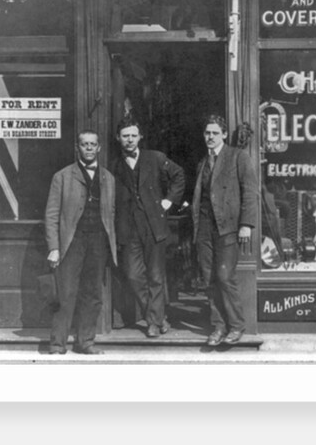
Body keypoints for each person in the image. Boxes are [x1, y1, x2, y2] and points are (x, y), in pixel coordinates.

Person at [111, 116, 185, 338]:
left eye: (134, 135)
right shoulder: (113, 166)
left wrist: (168, 201)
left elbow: (179, 176)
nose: (130, 140)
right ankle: (158, 317)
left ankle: (152, 322)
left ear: (140, 137)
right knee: (133, 275)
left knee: (155, 275)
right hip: (128, 228)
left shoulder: (155, 158)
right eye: (125, 136)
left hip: (154, 225)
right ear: (118, 138)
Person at [44, 130, 116, 355]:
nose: (88, 148)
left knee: (92, 294)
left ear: (99, 148)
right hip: (71, 242)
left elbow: (111, 213)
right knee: (66, 293)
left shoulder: (108, 178)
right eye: (84, 144)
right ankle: (57, 344)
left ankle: (86, 342)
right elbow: (52, 214)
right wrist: (54, 248)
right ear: (78, 147)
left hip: (98, 241)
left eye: (92, 144)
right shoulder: (62, 177)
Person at [191, 115, 259, 346]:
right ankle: (218, 326)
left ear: (223, 134)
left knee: (224, 276)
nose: (210, 137)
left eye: (214, 133)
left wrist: (246, 225)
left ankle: (237, 325)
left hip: (228, 228)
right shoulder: (202, 162)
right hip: (205, 228)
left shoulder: (238, 157)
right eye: (207, 133)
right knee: (209, 279)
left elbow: (250, 192)